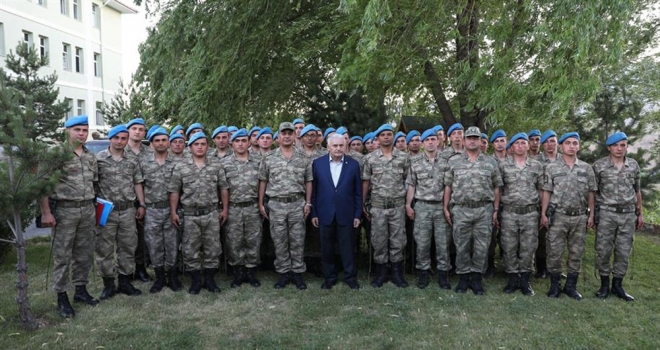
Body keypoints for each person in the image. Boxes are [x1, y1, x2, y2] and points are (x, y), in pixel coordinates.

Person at [39, 115, 98, 318]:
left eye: (84, 130)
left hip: (87, 209)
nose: (82, 133)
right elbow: (44, 185)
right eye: (77, 130)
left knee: (84, 253)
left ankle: (80, 290)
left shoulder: (90, 156)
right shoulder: (55, 153)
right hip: (64, 211)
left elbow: (94, 184)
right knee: (62, 254)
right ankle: (62, 297)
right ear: (67, 131)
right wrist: (46, 212)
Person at [443, 126, 502, 295]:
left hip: (484, 210)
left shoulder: (490, 162)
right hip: (461, 209)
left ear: (480, 140)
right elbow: (448, 186)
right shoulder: (454, 161)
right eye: (469, 138)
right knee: (461, 245)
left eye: (476, 138)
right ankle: (463, 278)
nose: (472, 140)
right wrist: (445, 207)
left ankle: (476, 278)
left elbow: (497, 188)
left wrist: (496, 209)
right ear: (463, 141)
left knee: (482, 246)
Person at [540, 132, 596, 300]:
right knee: (554, 252)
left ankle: (571, 286)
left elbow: (591, 193)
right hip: (558, 216)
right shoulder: (552, 168)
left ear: (578, 146)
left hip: (579, 217)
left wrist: (591, 214)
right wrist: (543, 213)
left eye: (575, 143)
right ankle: (555, 286)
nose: (572, 146)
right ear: (561, 146)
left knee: (576, 252)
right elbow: (546, 192)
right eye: (568, 143)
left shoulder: (586, 168)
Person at [168, 132, 226, 294]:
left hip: (211, 213)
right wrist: (173, 212)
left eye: (203, 144)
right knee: (190, 248)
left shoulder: (216, 165)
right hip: (190, 214)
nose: (200, 147)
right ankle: (195, 280)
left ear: (207, 146)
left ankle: (209, 279)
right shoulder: (181, 167)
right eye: (196, 144)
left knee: (213, 247)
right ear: (190, 147)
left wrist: (225, 209)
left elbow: (223, 188)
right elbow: (174, 191)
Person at [258, 122, 313, 290]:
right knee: (279, 240)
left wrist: (308, 202)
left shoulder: (303, 157)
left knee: (297, 240)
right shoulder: (269, 158)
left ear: (295, 136)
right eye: (284, 133)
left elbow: (308, 181)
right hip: (277, 205)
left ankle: (297, 273)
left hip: (297, 204)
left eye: (290, 133)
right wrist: (261, 203)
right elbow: (263, 181)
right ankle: (283, 273)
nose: (287, 135)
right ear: (278, 137)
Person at [95, 125, 146, 300]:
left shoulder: (132, 160)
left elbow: (137, 182)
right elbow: (93, 184)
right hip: (106, 211)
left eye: (123, 138)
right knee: (105, 248)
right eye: (116, 138)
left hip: (127, 211)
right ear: (110, 139)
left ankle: (125, 281)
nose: (120, 141)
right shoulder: (99, 159)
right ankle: (108, 284)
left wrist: (142, 204)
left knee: (128, 247)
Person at [592, 132, 642, 301]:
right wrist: (593, 213)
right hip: (607, 213)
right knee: (603, 249)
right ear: (609, 148)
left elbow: (637, 190)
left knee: (624, 250)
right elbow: (593, 191)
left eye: (623, 145)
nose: (620, 149)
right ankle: (604, 285)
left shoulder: (633, 165)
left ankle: (618, 285)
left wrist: (639, 212)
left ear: (626, 146)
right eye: (616, 146)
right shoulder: (599, 166)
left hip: (628, 214)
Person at [311, 133, 363, 290]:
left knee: (348, 247)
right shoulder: (317, 164)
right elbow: (314, 191)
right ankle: (330, 277)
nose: (338, 148)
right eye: (335, 145)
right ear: (328, 147)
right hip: (324, 212)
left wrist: (357, 214)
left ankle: (350, 277)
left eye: (341, 145)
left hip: (346, 213)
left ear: (345, 146)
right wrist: (314, 213)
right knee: (326, 248)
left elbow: (358, 192)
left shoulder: (353, 165)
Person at [362, 124, 411, 288]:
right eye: (382, 135)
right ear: (377, 138)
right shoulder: (370, 158)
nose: (386, 137)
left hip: (397, 206)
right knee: (379, 240)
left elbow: (407, 180)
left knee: (398, 240)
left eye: (389, 134)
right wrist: (363, 203)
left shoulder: (403, 158)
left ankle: (397, 274)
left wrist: (407, 203)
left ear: (393, 136)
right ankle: (381, 273)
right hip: (378, 206)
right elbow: (366, 182)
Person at [498, 133, 543, 295]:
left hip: (530, 213)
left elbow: (541, 190)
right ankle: (512, 279)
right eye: (516, 143)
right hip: (509, 212)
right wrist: (497, 210)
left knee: (528, 247)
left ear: (528, 146)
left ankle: (525, 280)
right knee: (509, 246)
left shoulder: (537, 166)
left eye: (523, 143)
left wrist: (543, 212)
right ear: (512, 147)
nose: (520, 146)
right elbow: (499, 189)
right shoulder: (503, 166)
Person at [406, 128, 452, 289]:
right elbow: (411, 185)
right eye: (427, 140)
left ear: (438, 141)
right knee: (422, 242)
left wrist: (446, 207)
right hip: (422, 206)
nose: (431, 142)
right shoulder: (415, 163)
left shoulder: (446, 161)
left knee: (443, 242)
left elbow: (448, 186)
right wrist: (408, 205)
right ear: (423, 143)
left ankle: (443, 274)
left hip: (440, 207)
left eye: (433, 139)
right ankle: (423, 273)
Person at [139, 128, 182, 293]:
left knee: (172, 243)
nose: (161, 143)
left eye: (164, 140)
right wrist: (142, 205)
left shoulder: (177, 163)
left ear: (168, 142)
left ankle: (172, 276)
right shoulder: (143, 162)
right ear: (151, 143)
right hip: (152, 210)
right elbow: (139, 185)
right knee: (154, 244)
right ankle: (159, 278)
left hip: (172, 209)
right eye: (157, 140)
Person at [220, 129, 264, 288]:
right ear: (232, 143)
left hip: (252, 207)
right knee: (234, 240)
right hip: (233, 208)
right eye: (237, 141)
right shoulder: (224, 163)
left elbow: (263, 184)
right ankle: (238, 273)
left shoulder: (258, 161)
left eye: (244, 141)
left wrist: (261, 204)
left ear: (249, 142)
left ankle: (251, 272)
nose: (240, 144)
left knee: (253, 239)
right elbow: (221, 188)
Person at [125, 118, 153, 283]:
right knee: (127, 239)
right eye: (134, 128)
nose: (137, 131)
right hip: (125, 200)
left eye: (141, 129)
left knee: (142, 238)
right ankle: (126, 270)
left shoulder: (150, 151)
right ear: (128, 130)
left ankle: (141, 268)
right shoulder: (121, 148)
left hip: (146, 200)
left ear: (144, 133)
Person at [533, 130, 558, 278]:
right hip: (540, 203)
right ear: (542, 144)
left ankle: (554, 268)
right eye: (546, 142)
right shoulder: (536, 161)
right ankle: (541, 268)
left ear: (557, 143)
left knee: (557, 238)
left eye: (552, 141)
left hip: (560, 205)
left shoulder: (564, 160)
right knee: (541, 237)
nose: (550, 145)